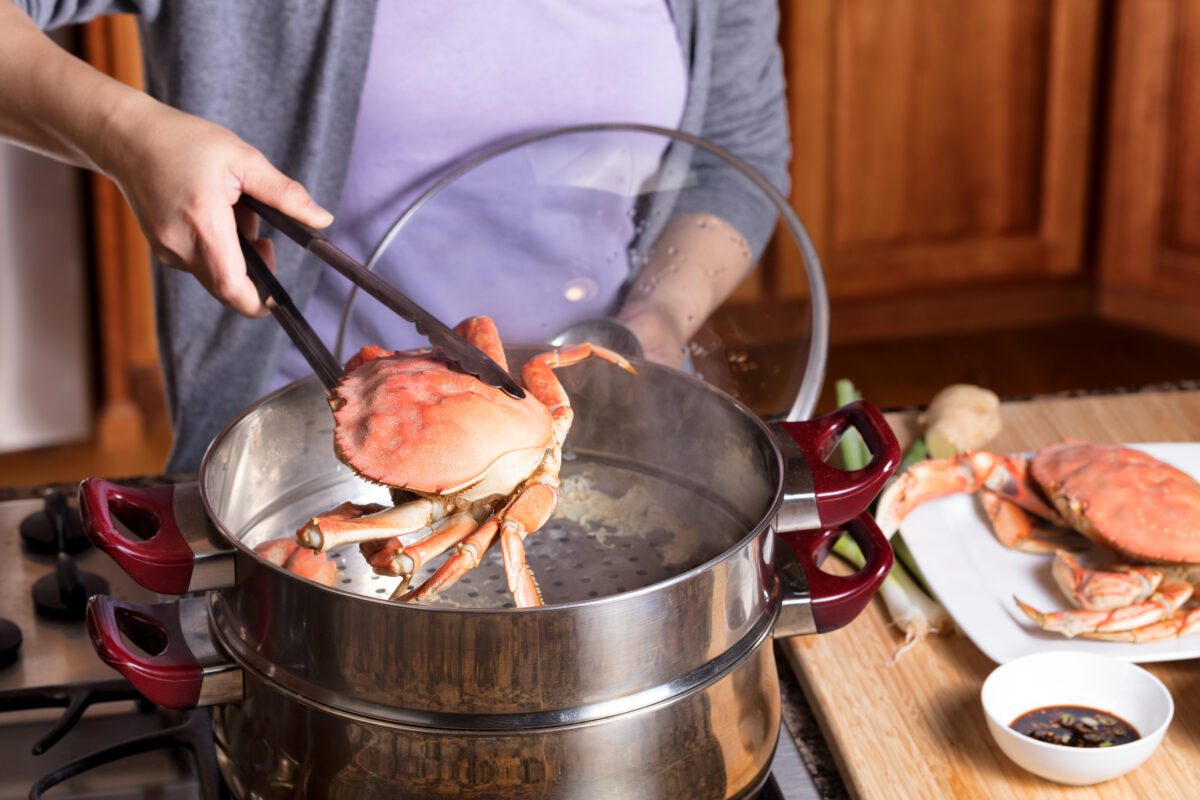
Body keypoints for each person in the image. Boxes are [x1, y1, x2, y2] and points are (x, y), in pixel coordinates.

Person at [1, 1, 790, 472]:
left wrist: (651, 324)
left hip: (599, 449)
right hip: (305, 457)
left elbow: (737, 149)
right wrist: (130, 135)